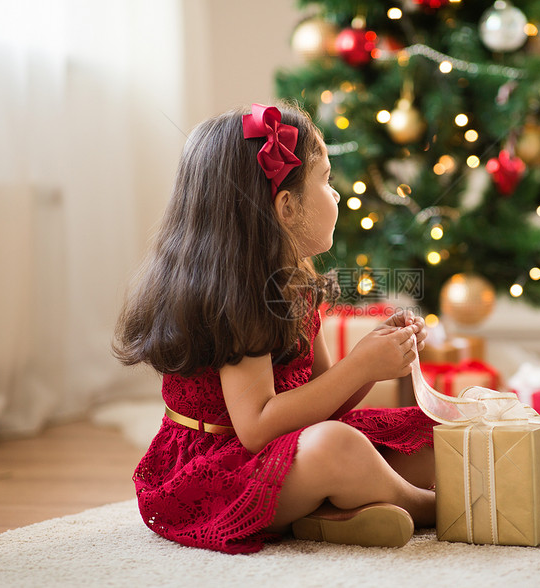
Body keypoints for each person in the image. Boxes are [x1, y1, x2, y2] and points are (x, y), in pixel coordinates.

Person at [113, 103, 436, 555]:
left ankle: (331, 514)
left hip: (283, 449)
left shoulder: (296, 282)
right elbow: (258, 428)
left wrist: (375, 361)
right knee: (339, 448)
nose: (337, 195)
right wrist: (360, 367)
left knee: (426, 434)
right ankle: (429, 509)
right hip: (215, 473)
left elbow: (323, 398)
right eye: (326, 180)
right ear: (286, 207)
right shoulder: (238, 297)